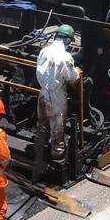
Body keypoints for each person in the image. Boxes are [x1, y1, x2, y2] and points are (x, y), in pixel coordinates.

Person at [35, 24, 80, 160]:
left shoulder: (44, 50)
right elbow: (72, 77)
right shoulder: (65, 57)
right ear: (67, 41)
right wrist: (78, 72)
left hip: (43, 93)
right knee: (57, 126)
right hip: (57, 96)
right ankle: (57, 156)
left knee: (42, 121)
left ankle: (39, 147)